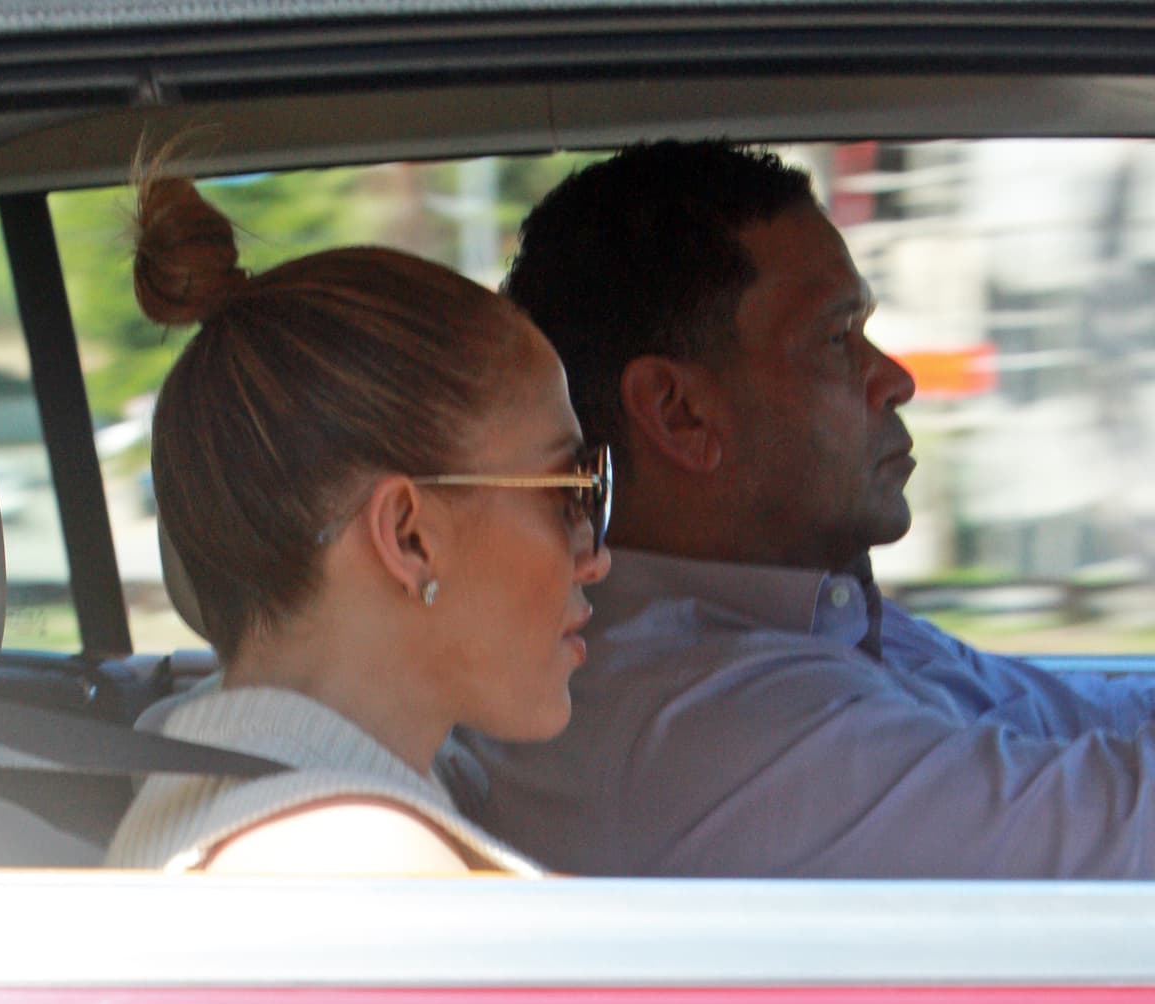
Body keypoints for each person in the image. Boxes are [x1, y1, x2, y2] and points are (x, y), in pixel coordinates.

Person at [460, 139, 1155, 879]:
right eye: (835, 338)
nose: (894, 379)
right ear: (679, 412)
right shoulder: (698, 725)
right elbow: (1120, 822)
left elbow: (1084, 714)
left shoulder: (805, 617)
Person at [107, 164, 611, 876]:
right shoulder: (360, 857)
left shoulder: (235, 802)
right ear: (409, 536)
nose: (595, 555)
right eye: (572, 490)